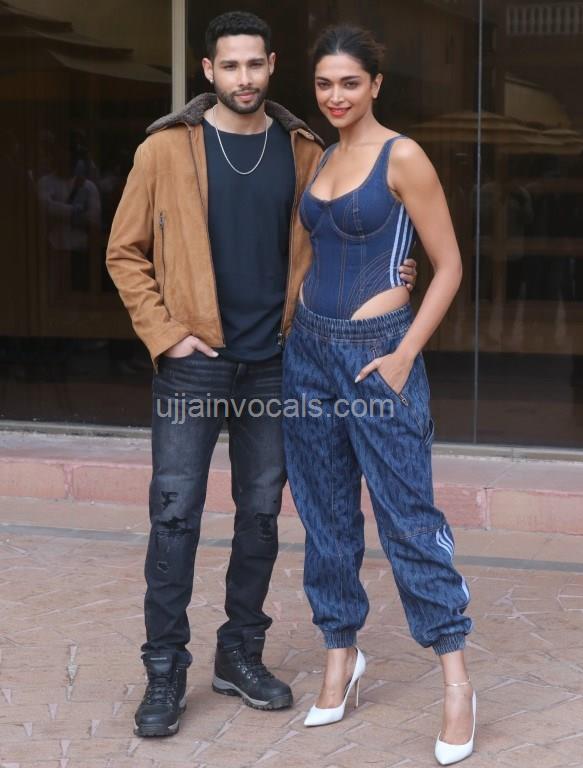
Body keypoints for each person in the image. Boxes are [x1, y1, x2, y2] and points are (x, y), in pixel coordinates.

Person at [107, 9, 420, 738]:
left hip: (278, 363)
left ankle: (239, 654)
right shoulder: (165, 149)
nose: (243, 78)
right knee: (175, 516)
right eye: (230, 66)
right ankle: (164, 669)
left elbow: (347, 229)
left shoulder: (304, 148)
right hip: (194, 368)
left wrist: (396, 270)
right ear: (208, 71)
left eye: (255, 64)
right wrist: (166, 334)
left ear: (272, 66)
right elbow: (124, 251)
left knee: (259, 515)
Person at [282, 26, 475, 766]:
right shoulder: (322, 157)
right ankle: (341, 655)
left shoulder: (404, 156)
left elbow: (448, 264)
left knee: (407, 518)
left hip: (377, 357)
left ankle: (456, 681)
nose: (335, 96)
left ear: (376, 85)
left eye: (350, 83)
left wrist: (404, 354)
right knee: (324, 514)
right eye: (324, 83)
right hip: (309, 355)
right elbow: (317, 252)